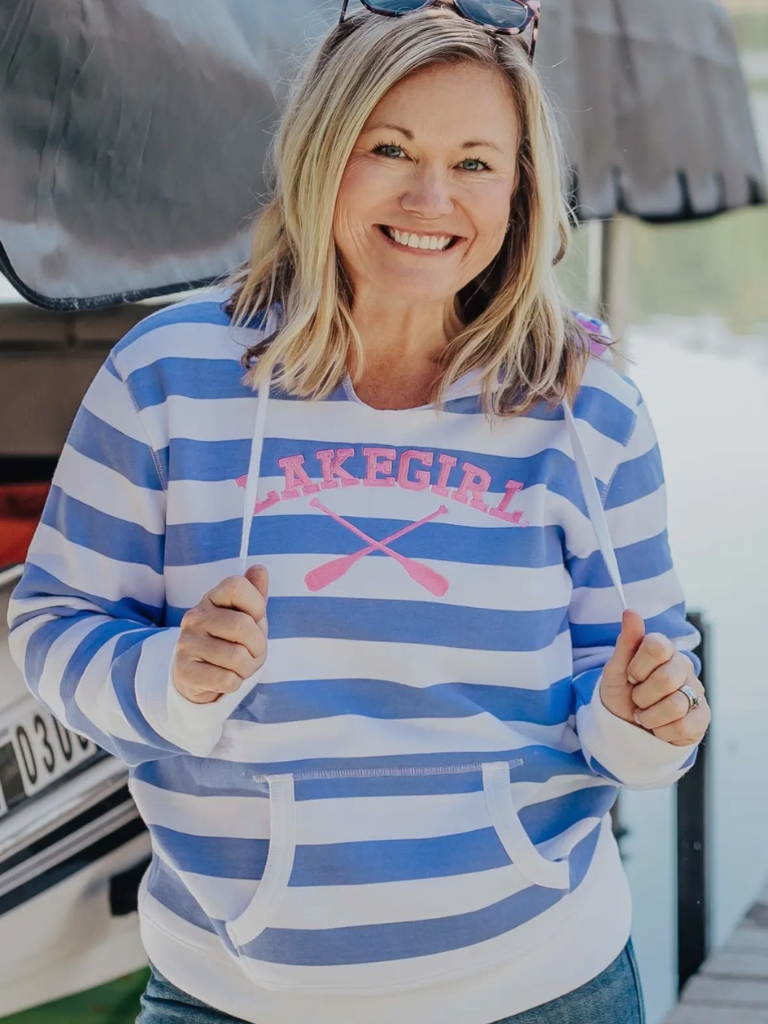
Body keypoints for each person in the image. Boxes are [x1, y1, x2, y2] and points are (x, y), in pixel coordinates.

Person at [7, 2, 712, 1022]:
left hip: (546, 986)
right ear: (320, 151)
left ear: (520, 189)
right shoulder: (165, 376)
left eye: (477, 161)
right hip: (230, 996)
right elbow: (49, 628)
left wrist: (647, 719)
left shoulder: (584, 398)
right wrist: (169, 677)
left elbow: (649, 692)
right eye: (391, 148)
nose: (433, 196)